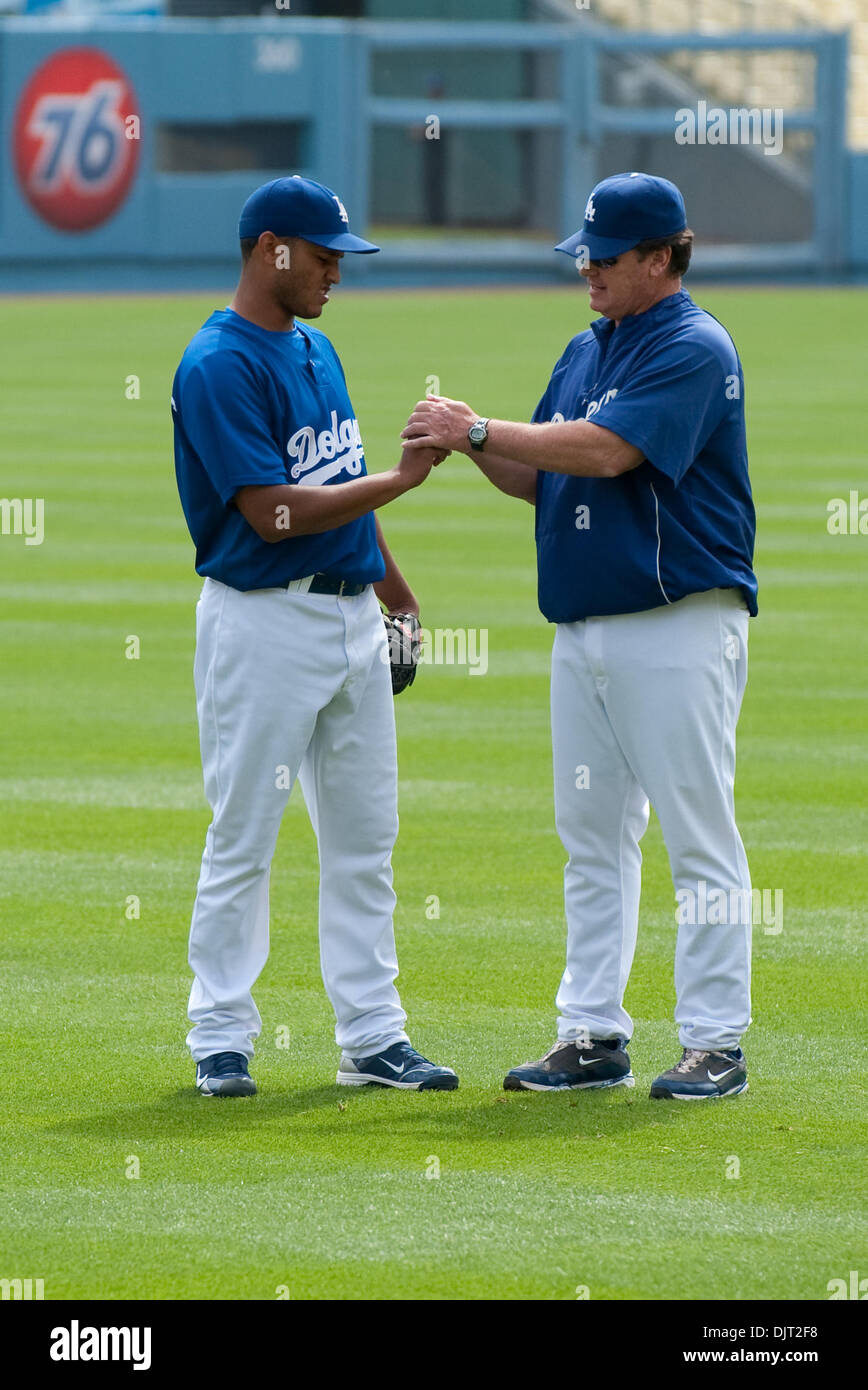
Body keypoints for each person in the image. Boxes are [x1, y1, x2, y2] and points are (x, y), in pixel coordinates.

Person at [402, 172, 757, 1101]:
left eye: (604, 256)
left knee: (698, 835)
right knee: (593, 838)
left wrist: (478, 422)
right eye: (583, 253)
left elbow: (607, 453)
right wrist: (475, 447)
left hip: (678, 623)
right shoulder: (585, 348)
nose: (587, 268)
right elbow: (542, 477)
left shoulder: (694, 346)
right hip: (585, 630)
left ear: (659, 259)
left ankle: (717, 1041)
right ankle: (592, 1033)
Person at [171, 175, 458, 1096]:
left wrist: (399, 599)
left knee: (367, 838)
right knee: (245, 832)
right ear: (270, 250)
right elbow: (274, 514)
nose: (338, 270)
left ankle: (373, 1036)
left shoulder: (316, 348)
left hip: (348, 616)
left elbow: (336, 494)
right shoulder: (217, 363)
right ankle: (220, 1034)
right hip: (262, 620)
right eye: (325, 255)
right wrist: (401, 480)